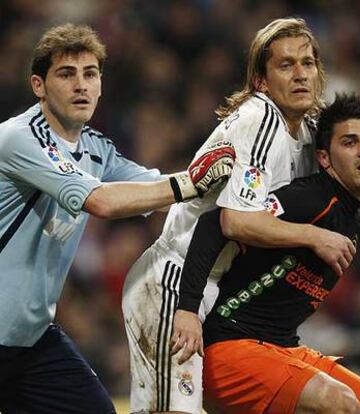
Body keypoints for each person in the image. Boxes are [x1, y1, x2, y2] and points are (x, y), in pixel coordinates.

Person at [122, 17, 360, 414]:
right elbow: (231, 222)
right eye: (286, 65)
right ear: (261, 80)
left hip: (215, 287)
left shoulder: (307, 129)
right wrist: (313, 236)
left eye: (307, 63)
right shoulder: (260, 120)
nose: (300, 75)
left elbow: (356, 188)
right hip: (173, 280)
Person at [0, 23, 235, 414]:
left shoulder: (96, 148)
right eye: (66, 74)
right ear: (38, 86)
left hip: (32, 342)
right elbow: (103, 202)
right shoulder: (18, 139)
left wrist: (239, 184)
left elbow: (161, 192)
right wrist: (191, 182)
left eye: (90, 74)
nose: (81, 85)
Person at [176, 93, 360, 414]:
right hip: (231, 347)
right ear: (324, 158)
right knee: (340, 403)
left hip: (282, 348)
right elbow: (214, 224)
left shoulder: (357, 209)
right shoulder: (309, 199)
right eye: (350, 142)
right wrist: (186, 308)